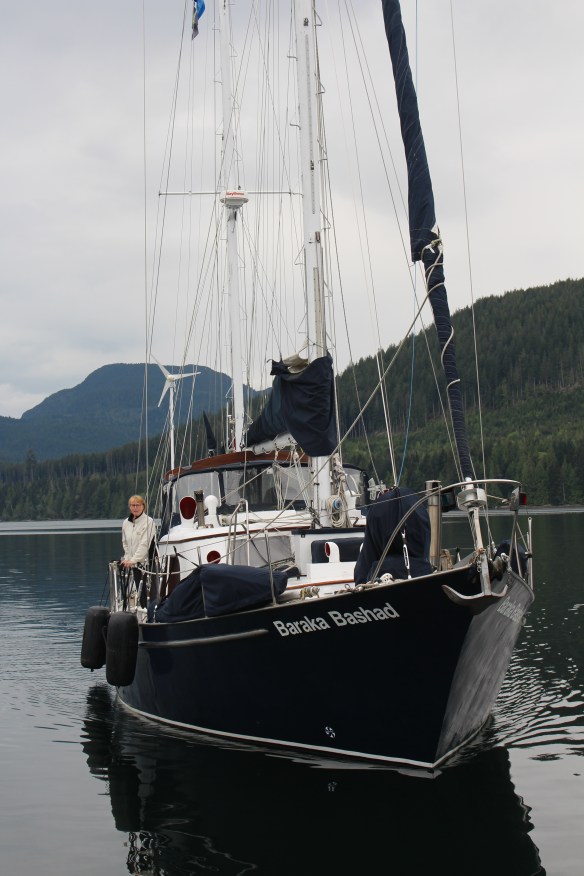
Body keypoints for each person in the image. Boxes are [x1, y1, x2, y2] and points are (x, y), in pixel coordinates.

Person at [121, 495, 155, 604]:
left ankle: (149, 608)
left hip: (146, 564)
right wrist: (127, 558)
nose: (135, 508)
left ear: (143, 506)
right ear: (129, 507)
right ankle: (142, 606)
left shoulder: (148, 522)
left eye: (137, 505)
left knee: (147, 592)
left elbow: (144, 544)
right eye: (132, 505)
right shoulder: (126, 523)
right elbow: (125, 543)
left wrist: (134, 560)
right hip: (133, 564)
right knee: (140, 592)